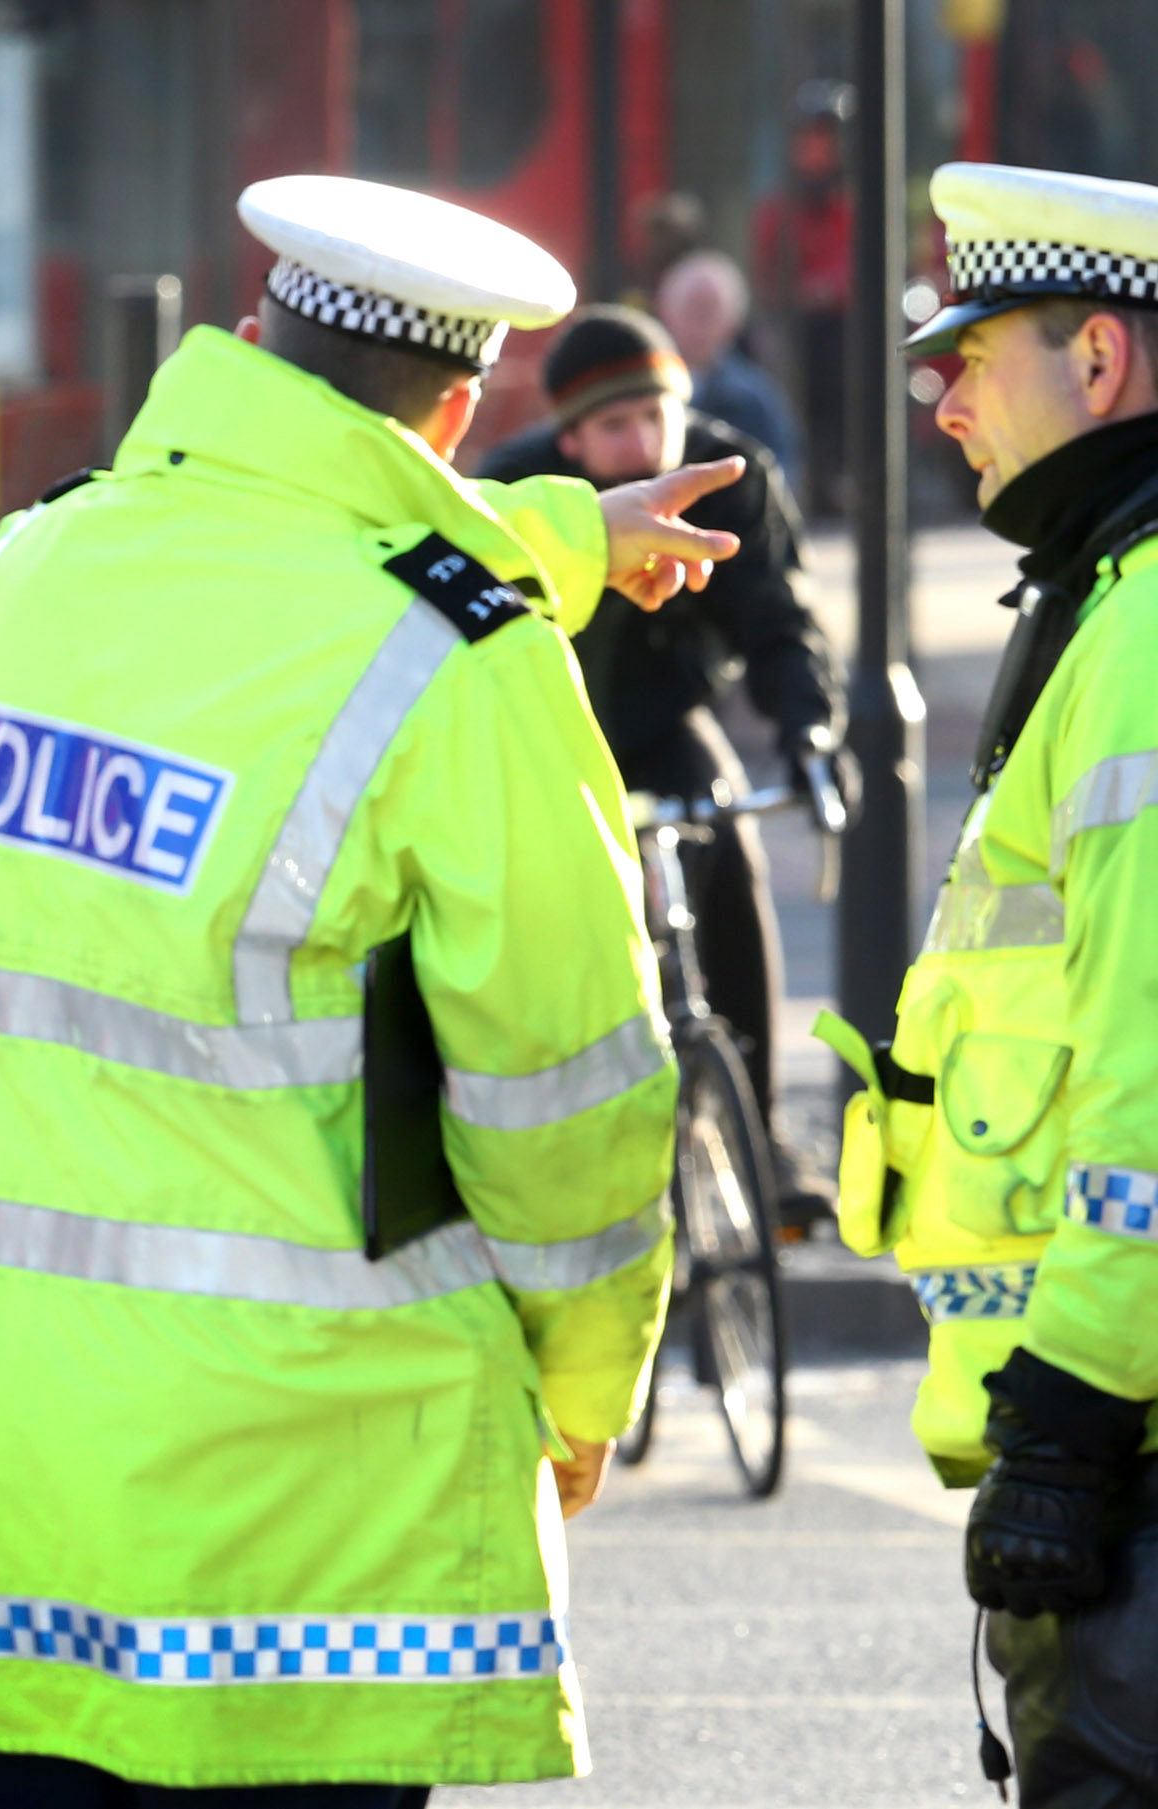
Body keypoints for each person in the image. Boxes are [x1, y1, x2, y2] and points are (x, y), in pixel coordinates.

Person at [0, 174, 747, 1802]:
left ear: (241, 339)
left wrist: (558, 535)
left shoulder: (35, 568)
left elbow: (273, 551)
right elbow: (570, 1085)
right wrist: (582, 1386)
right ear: (463, 404)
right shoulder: (468, 657)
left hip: (27, 1489)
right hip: (311, 1526)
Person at [823, 162, 1158, 1805]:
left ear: (1098, 363)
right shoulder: (1110, 595)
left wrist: (1079, 1414)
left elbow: (1154, 1077)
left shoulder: (1151, 625)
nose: (936, 389)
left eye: (973, 351)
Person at [473, 305, 846, 1203]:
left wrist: (809, 733)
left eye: (658, 415)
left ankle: (761, 1136)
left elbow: (777, 619)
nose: (644, 442)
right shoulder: (514, 488)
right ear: (568, 437)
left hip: (662, 717)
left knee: (728, 848)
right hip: (548, 728)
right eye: (614, 425)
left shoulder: (728, 475)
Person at [753, 81, 857, 514]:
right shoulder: (778, 212)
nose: (815, 152)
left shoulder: (855, 206)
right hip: (801, 336)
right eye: (807, 142)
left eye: (824, 141)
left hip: (847, 332)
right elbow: (766, 280)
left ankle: (842, 477)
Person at [657, 249, 805, 490]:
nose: (699, 323)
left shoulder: (755, 396)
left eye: (710, 310)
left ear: (732, 320)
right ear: (666, 311)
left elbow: (782, 471)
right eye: (692, 307)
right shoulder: (642, 388)